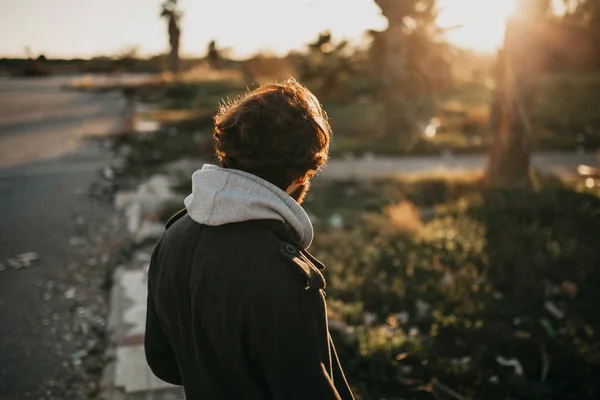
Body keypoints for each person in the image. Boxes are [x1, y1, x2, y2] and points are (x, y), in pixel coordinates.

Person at [144, 79, 355, 400]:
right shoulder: (286, 278)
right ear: (303, 174)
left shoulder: (174, 235)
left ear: (227, 152)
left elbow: (163, 362)